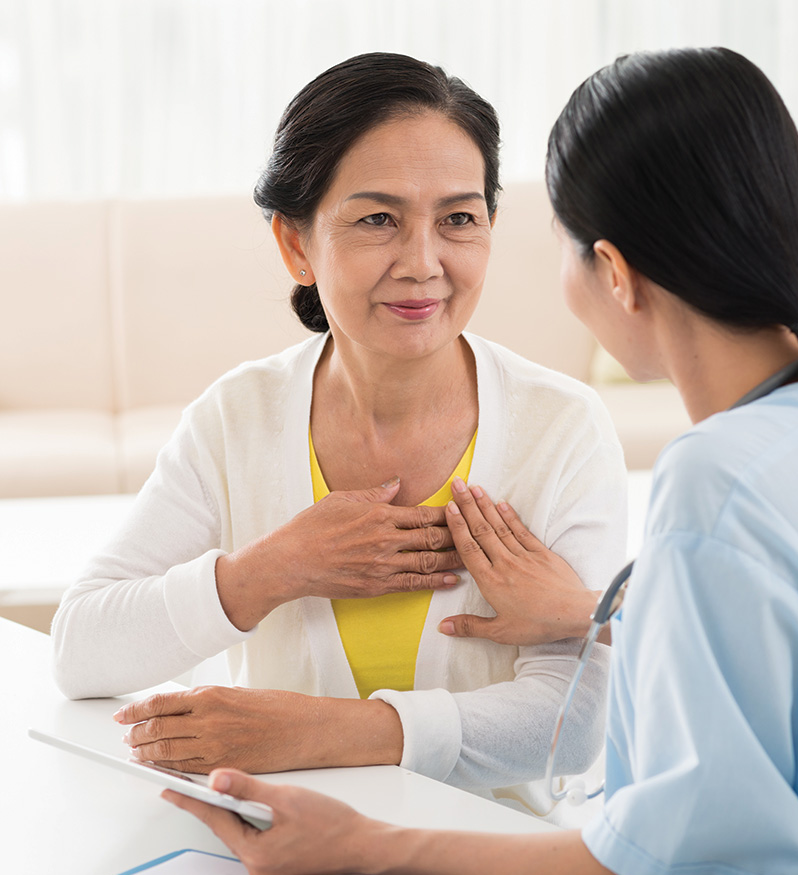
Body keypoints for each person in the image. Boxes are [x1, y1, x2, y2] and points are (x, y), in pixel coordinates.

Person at [165, 47, 798, 875]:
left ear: (613, 272)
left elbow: (662, 866)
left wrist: (366, 842)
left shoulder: (713, 480)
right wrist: (586, 611)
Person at [50, 52, 627, 818]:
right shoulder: (239, 417)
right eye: (378, 219)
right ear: (297, 245)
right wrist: (269, 570)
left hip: (491, 862)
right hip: (275, 858)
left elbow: (571, 722)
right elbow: (80, 647)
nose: (423, 263)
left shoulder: (562, 428)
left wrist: (314, 731)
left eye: (459, 218)